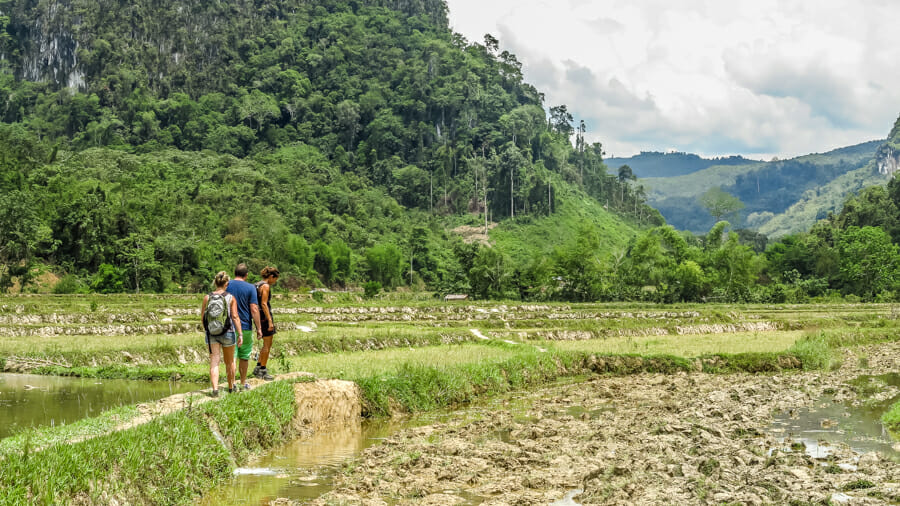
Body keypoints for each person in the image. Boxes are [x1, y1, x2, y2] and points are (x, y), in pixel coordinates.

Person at [201, 271, 243, 396]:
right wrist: (240, 333)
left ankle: (215, 390)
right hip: (228, 332)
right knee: (230, 361)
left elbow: (203, 317)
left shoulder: (207, 297)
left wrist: (207, 330)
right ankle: (231, 387)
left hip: (212, 333)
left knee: (214, 361)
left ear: (215, 282)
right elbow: (235, 317)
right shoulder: (230, 297)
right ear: (227, 284)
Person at [227, 263, 263, 391]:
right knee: (244, 356)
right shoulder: (250, 288)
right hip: (245, 327)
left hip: (228, 327)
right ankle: (242, 383)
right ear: (246, 275)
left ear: (234, 273)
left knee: (232, 357)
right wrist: (259, 328)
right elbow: (254, 309)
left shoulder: (227, 285)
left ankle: (232, 385)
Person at [253, 266, 280, 381]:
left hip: (258, 316)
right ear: (271, 277)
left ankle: (258, 366)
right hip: (264, 316)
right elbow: (264, 304)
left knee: (265, 343)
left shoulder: (256, 285)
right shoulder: (265, 286)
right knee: (268, 344)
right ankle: (263, 370)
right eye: (275, 279)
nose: (275, 281)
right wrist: (270, 320)